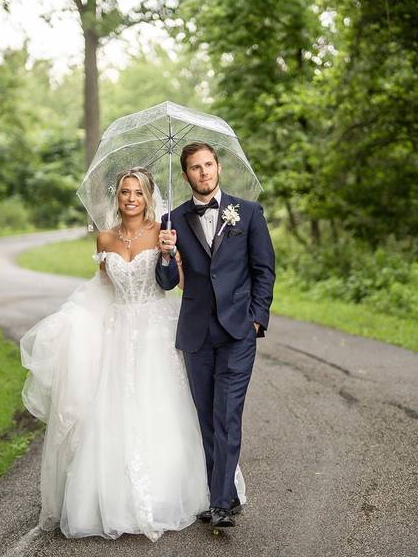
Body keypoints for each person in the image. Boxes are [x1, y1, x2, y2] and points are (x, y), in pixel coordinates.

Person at [19, 167, 243, 541]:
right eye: (125, 192)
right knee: (114, 410)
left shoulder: (165, 231)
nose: (131, 198)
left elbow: (180, 283)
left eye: (138, 192)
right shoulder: (104, 238)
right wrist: (76, 322)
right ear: (117, 197)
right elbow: (104, 289)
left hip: (157, 328)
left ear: (149, 197)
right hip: (118, 331)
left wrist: (170, 255)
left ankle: (179, 491)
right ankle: (111, 497)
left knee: (163, 407)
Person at [155, 142, 275, 528]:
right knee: (206, 418)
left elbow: (264, 270)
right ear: (186, 174)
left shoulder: (249, 213)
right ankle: (227, 494)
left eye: (209, 165)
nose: (204, 173)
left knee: (226, 414)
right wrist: (165, 254)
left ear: (218, 167)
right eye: (195, 167)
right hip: (196, 332)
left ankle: (220, 502)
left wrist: (257, 318)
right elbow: (167, 282)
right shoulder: (171, 220)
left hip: (239, 330)